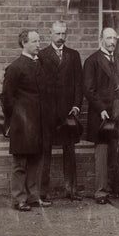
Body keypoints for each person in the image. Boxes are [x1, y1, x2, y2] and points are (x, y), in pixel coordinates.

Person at [0, 30, 51, 211]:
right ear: (24, 43)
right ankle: (19, 199)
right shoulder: (15, 67)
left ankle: (33, 197)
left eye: (39, 41)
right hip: (22, 123)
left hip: (38, 122)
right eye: (35, 41)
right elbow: (7, 97)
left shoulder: (41, 64)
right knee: (20, 162)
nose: (39, 44)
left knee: (35, 161)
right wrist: (13, 120)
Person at [83, 27, 119, 204]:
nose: (112, 41)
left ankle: (117, 187)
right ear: (101, 39)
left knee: (118, 152)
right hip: (101, 115)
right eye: (108, 38)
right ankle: (101, 192)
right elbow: (88, 90)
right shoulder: (92, 61)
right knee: (102, 153)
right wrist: (101, 108)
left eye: (114, 38)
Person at [38, 21, 83, 201]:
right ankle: (43, 191)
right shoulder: (42, 55)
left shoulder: (73, 55)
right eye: (57, 34)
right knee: (45, 151)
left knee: (69, 151)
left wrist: (76, 105)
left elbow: (78, 84)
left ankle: (71, 190)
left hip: (67, 113)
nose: (61, 37)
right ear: (50, 34)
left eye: (63, 33)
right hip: (48, 113)